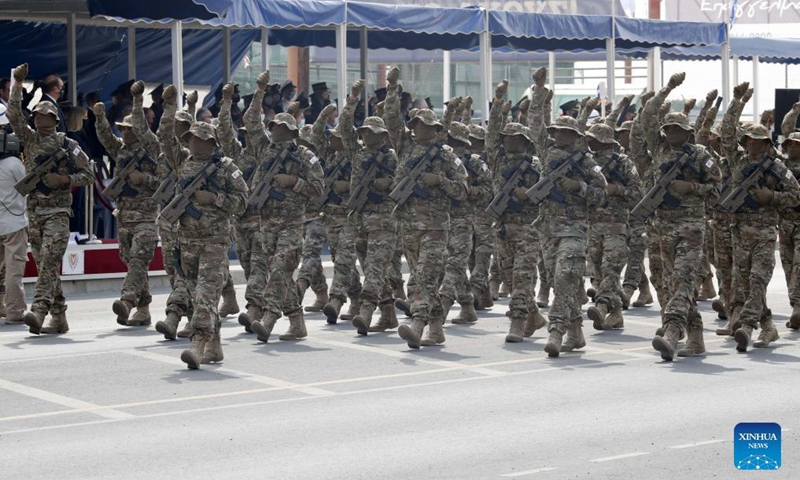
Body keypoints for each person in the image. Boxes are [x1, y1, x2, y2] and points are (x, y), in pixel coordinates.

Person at [385, 67, 469, 349]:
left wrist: (440, 180)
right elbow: (392, 121)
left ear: (435, 130)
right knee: (421, 278)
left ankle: (417, 325)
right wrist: (393, 88)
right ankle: (436, 327)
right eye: (418, 124)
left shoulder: (446, 156)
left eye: (426, 126)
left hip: (435, 228)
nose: (421, 128)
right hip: (408, 226)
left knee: (425, 278)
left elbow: (462, 191)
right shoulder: (406, 148)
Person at [7, 63, 93, 335]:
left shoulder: (68, 145)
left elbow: (88, 174)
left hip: (57, 213)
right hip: (34, 214)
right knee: (46, 265)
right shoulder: (30, 140)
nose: (39, 119)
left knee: (48, 263)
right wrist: (18, 86)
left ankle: (40, 309)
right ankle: (60, 316)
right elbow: (13, 115)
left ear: (56, 120)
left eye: (45, 116)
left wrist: (67, 180)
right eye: (37, 116)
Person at [641, 72, 721, 361]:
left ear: (687, 132)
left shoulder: (700, 155)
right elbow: (645, 120)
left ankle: (673, 331)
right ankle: (696, 337)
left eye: (677, 129)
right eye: (668, 130)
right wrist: (667, 89)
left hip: (690, 227)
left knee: (684, 280)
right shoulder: (659, 150)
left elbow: (718, 187)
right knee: (670, 282)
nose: (671, 133)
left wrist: (692, 187)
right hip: (663, 226)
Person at [528, 67, 608, 357]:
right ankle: (576, 331)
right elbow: (535, 123)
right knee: (564, 282)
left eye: (566, 133)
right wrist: (539, 90)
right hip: (547, 227)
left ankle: (556, 331)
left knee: (564, 277)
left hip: (574, 228)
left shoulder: (586, 162)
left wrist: (578, 187)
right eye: (557, 131)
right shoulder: (547, 153)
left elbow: (602, 194)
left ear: (576, 137)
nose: (560, 135)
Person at [160, 119, 248, 369]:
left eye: (199, 138)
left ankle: (197, 344)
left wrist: (215, 198)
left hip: (214, 240)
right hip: (187, 240)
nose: (193, 142)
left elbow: (243, 201)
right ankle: (215, 346)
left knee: (206, 293)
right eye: (191, 138)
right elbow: (165, 139)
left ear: (211, 142)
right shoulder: (184, 165)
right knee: (194, 296)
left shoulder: (225, 167)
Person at [243, 71, 324, 342]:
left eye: (279, 126)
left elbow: (318, 191)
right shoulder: (264, 150)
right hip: (266, 223)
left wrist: (295, 182)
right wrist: (259, 91)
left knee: (279, 271)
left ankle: (268, 317)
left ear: (290, 131)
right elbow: (250, 121)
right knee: (282, 276)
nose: (273, 129)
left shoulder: (304, 156)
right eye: (273, 125)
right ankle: (297, 322)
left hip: (292, 224)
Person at [721, 82, 800, 352]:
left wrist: (772, 198)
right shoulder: (738, 163)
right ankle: (768, 327)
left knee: (757, 280)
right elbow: (726, 133)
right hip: (738, 231)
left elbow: (796, 196)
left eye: (759, 141)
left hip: (765, 233)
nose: (754, 144)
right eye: (750, 140)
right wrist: (736, 101)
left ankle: (745, 325)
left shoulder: (777, 168)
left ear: (767, 143)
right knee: (746, 284)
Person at [487, 80, 547, 341]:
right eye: (506, 139)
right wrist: (498, 104)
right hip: (502, 228)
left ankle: (517, 323)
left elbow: (547, 193)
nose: (509, 142)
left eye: (515, 139)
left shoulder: (535, 165)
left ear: (524, 141)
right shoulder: (499, 161)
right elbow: (490, 136)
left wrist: (528, 195)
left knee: (523, 278)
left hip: (528, 229)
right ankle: (533, 316)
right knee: (510, 280)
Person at [93, 101, 160, 328]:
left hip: (147, 216)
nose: (125, 132)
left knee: (139, 259)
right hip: (124, 216)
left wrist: (145, 179)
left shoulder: (153, 152)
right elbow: (105, 138)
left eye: (130, 128)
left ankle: (127, 300)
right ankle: (143, 309)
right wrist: (100, 118)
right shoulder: (121, 150)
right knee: (132, 262)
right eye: (123, 129)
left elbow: (168, 182)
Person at [216, 82, 269, 332]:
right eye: (245, 133)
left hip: (262, 220)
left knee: (259, 265)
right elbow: (225, 131)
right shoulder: (237, 155)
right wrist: (226, 102)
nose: (248, 135)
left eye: (251, 133)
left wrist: (258, 93)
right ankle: (257, 305)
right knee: (249, 265)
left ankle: (255, 308)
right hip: (241, 220)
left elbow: (256, 124)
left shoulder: (264, 155)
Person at [584, 122, 643, 331]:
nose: (589, 143)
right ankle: (616, 313)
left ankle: (601, 306)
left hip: (616, 224)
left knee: (611, 268)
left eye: (592, 139)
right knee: (599, 273)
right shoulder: (586, 163)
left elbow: (637, 193)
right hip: (594, 225)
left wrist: (616, 189)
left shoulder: (623, 163)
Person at [0, 123, 28, 325]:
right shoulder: (13, 163)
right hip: (14, 224)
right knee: (13, 270)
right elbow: (27, 185)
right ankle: (15, 311)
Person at [779, 96, 800, 329]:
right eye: (790, 144)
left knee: (798, 266)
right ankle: (796, 305)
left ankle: (797, 307)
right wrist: (795, 110)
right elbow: (786, 128)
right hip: (784, 222)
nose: (793, 146)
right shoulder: (781, 166)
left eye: (797, 144)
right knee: (787, 265)